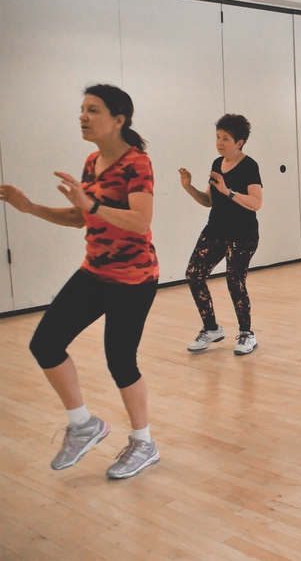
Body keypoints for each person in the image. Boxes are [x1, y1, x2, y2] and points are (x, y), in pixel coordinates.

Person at [0, 84, 160, 479]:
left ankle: (144, 443)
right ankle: (84, 424)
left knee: (120, 360)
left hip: (134, 277)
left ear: (119, 119)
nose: (83, 117)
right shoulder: (92, 161)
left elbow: (140, 221)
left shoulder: (137, 163)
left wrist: (89, 204)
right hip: (94, 271)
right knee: (45, 343)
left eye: (93, 110)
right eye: (82, 110)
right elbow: (83, 218)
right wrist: (31, 208)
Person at [179, 114, 263, 355]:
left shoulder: (249, 166)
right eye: (217, 137)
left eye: (226, 138)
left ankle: (247, 334)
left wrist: (228, 191)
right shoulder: (217, 164)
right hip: (215, 231)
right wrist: (189, 188)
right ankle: (211, 328)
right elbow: (208, 201)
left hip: (242, 235)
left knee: (235, 282)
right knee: (193, 275)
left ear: (239, 142)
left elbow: (257, 203)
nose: (220, 142)